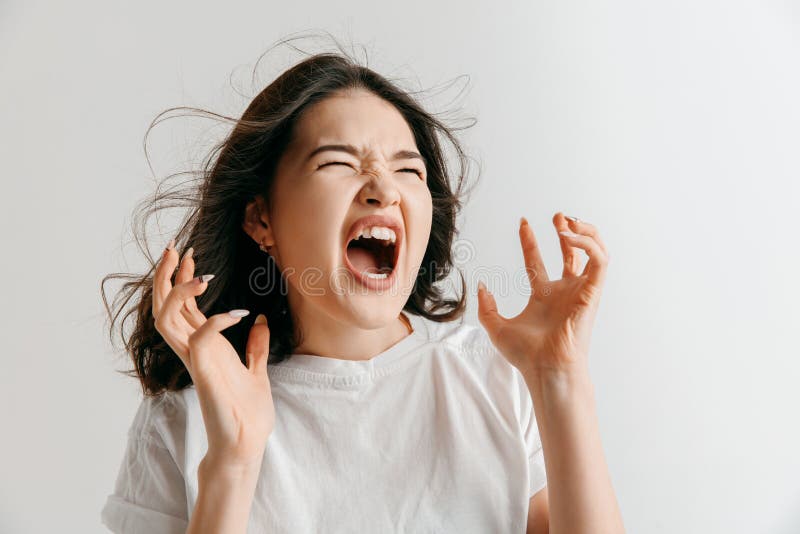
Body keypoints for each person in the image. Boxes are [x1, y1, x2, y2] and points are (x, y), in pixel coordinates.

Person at [100, 37, 624, 534]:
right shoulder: (187, 416)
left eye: (407, 170)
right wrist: (232, 464)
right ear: (261, 219)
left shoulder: (496, 380)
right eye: (337, 163)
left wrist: (559, 378)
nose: (382, 189)